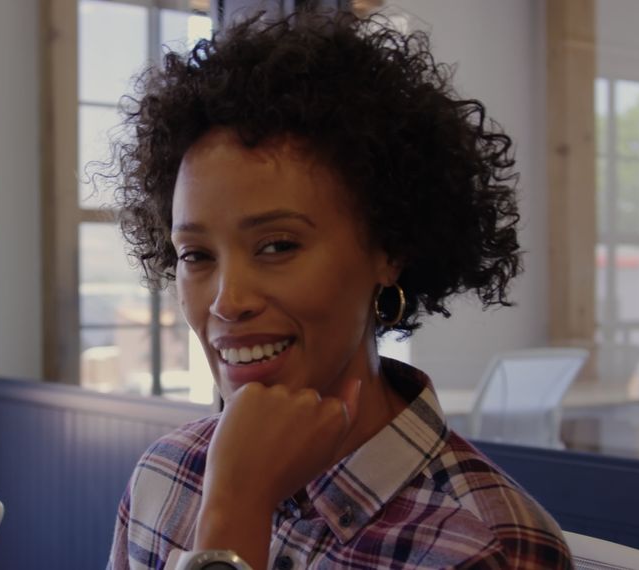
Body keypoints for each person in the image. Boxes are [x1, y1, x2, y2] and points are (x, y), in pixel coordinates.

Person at [104, 8, 572, 570]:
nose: (228, 301)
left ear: (389, 248)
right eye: (197, 255)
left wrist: (234, 511)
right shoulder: (166, 476)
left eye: (277, 246)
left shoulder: (478, 547)